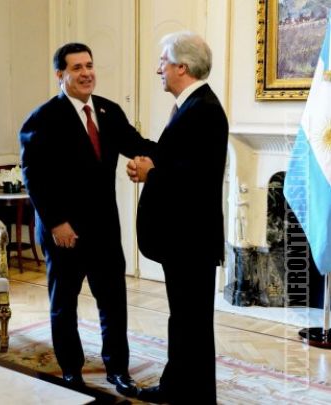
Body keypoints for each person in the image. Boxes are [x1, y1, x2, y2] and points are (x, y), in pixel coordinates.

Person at [19, 42, 156, 397]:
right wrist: (56, 222)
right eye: (77, 67)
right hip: (64, 230)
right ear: (60, 74)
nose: (86, 73)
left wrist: (170, 156)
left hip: (105, 229)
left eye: (89, 65)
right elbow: (34, 177)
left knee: (113, 303)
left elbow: (137, 144)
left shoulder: (109, 111)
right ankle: (71, 372)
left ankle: (118, 370)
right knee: (64, 305)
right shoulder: (42, 118)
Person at [127, 32, 228, 404]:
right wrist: (144, 158)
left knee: (193, 322)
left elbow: (195, 178)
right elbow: (177, 159)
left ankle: (195, 397)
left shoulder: (203, 110)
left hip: (191, 240)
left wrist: (151, 173)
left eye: (163, 62)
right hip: (185, 238)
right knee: (184, 319)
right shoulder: (193, 106)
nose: (159, 69)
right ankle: (176, 388)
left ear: (181, 67)